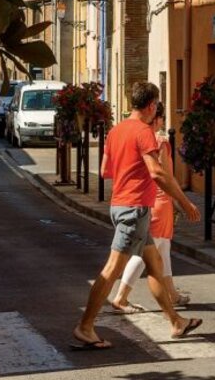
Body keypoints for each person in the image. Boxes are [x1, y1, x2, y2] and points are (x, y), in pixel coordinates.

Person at [72, 82, 202, 350]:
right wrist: (184, 202)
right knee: (111, 270)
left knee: (154, 266)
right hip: (133, 209)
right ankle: (85, 327)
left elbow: (107, 170)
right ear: (152, 105)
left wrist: (129, 168)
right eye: (157, 105)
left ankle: (175, 321)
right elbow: (156, 172)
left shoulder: (116, 131)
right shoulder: (144, 132)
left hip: (123, 205)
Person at [110, 102, 191, 312]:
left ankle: (172, 294)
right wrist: (180, 201)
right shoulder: (161, 142)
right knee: (146, 253)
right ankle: (121, 296)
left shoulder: (136, 137)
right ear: (158, 119)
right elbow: (165, 175)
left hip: (143, 199)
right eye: (161, 117)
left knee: (163, 248)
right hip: (160, 200)